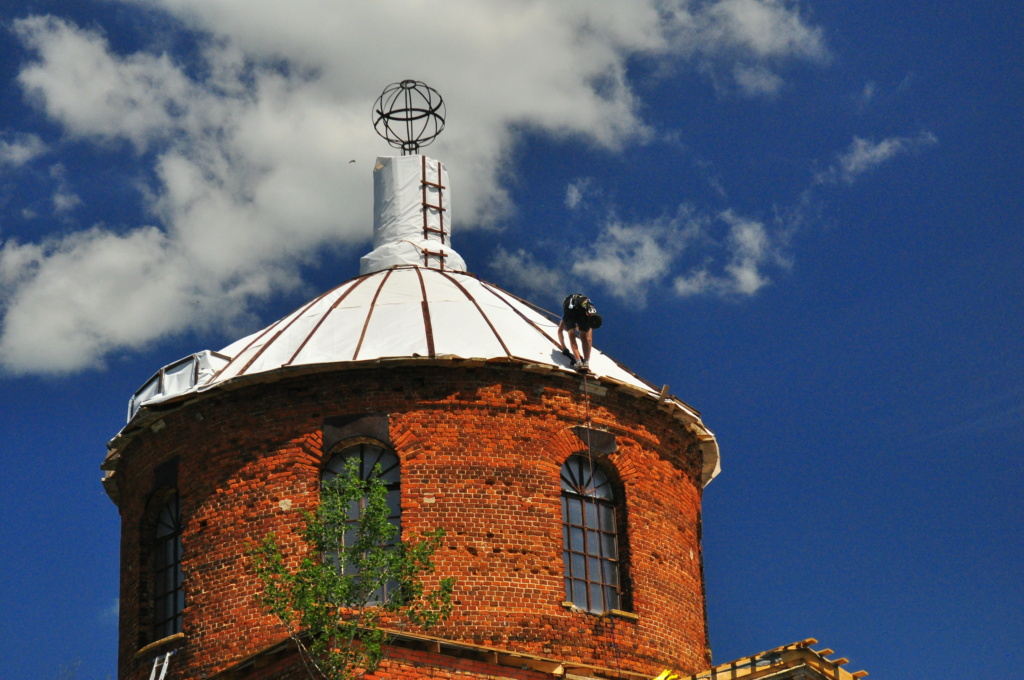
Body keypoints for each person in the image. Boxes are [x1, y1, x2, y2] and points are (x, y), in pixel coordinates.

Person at [557, 294, 602, 372]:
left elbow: (560, 331)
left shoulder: (568, 312)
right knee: (583, 336)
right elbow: (589, 339)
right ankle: (586, 362)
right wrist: (586, 360)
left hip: (570, 308)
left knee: (571, 335)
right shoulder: (587, 309)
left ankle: (578, 362)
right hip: (582, 312)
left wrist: (564, 348)